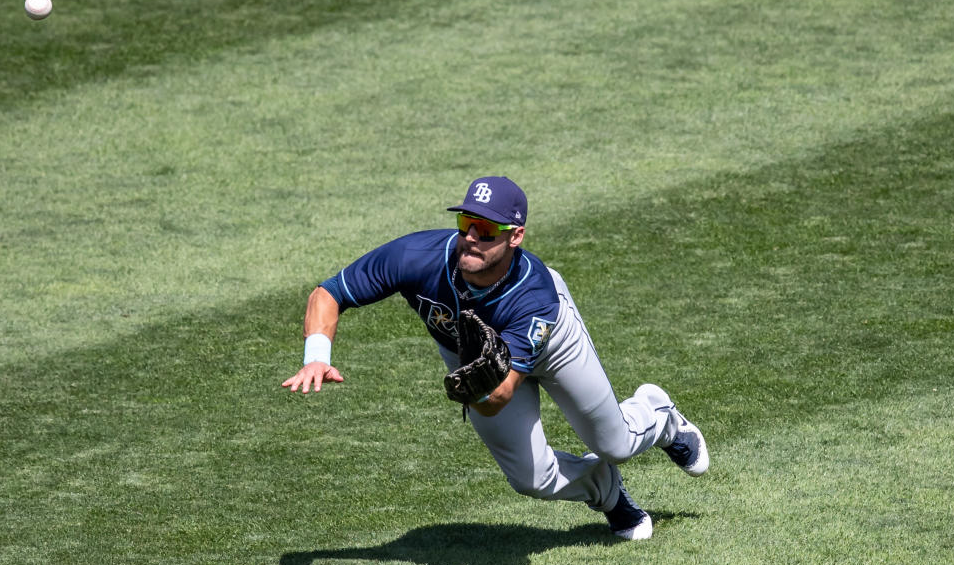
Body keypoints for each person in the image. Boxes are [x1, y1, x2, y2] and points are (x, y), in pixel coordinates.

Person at [281, 176, 708, 540]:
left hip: (553, 342)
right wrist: (317, 355)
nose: (471, 237)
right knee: (532, 478)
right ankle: (605, 489)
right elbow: (329, 293)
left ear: (515, 236)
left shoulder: (532, 295)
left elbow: (502, 393)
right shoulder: (416, 257)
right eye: (466, 222)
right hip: (473, 360)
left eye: (486, 230)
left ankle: (661, 415)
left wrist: (475, 395)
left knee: (614, 443)